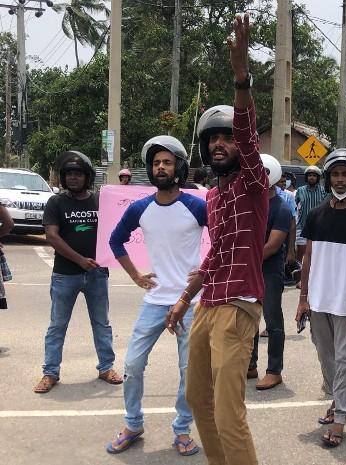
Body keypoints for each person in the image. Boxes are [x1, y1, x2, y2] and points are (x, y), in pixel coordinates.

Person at [166, 14, 268, 465]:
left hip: (239, 305)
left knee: (230, 414)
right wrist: (185, 299)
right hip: (209, 304)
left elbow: (248, 135)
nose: (221, 144)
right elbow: (215, 254)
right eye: (214, 140)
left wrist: (241, 76)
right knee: (196, 400)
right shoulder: (214, 194)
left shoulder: (253, 184)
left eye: (228, 138)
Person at [106, 136, 204, 456]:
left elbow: (223, 239)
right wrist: (135, 275)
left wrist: (205, 272)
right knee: (133, 365)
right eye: (156, 163)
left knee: (189, 372)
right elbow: (116, 240)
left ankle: (182, 430)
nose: (160, 167)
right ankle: (133, 424)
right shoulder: (140, 208)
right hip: (154, 300)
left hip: (188, 302)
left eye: (167, 162)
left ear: (179, 167)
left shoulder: (195, 205)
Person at [296, 148, 346, 448]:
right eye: (336, 174)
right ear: (329, 178)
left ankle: (340, 417)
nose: (341, 180)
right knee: (325, 358)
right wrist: (303, 298)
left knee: (343, 360)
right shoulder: (316, 215)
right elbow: (309, 258)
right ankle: (335, 399)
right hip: (318, 300)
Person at [34, 151, 122, 394]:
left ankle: (106, 367)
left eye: (78, 173)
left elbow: (115, 228)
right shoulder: (57, 203)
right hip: (65, 274)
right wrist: (80, 260)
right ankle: (50, 373)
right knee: (57, 325)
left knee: (101, 323)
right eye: (69, 174)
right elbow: (52, 235)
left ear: (87, 177)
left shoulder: (99, 201)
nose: (73, 178)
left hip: (97, 274)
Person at [247, 154, 292, 390]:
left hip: (269, 271)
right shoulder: (250, 204)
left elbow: (272, 246)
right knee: (249, 319)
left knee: (272, 320)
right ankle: (250, 365)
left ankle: (274, 370)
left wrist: (245, 261)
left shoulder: (281, 208)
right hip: (250, 269)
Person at [295, 164, 327, 261]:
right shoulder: (300, 190)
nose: (311, 177)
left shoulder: (323, 190)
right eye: (309, 175)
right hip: (302, 226)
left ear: (318, 177)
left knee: (316, 256)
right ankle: (300, 274)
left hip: (319, 227)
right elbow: (296, 207)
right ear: (306, 177)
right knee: (301, 256)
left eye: (314, 175)